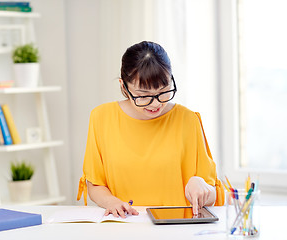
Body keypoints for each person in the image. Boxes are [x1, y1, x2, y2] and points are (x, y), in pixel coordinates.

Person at [77, 41, 225, 218]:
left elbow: (213, 195)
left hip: (176, 228)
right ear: (124, 86)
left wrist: (200, 184)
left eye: (164, 91)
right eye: (143, 96)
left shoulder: (188, 120)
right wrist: (112, 202)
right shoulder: (101, 118)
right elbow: (95, 184)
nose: (156, 104)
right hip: (125, 224)